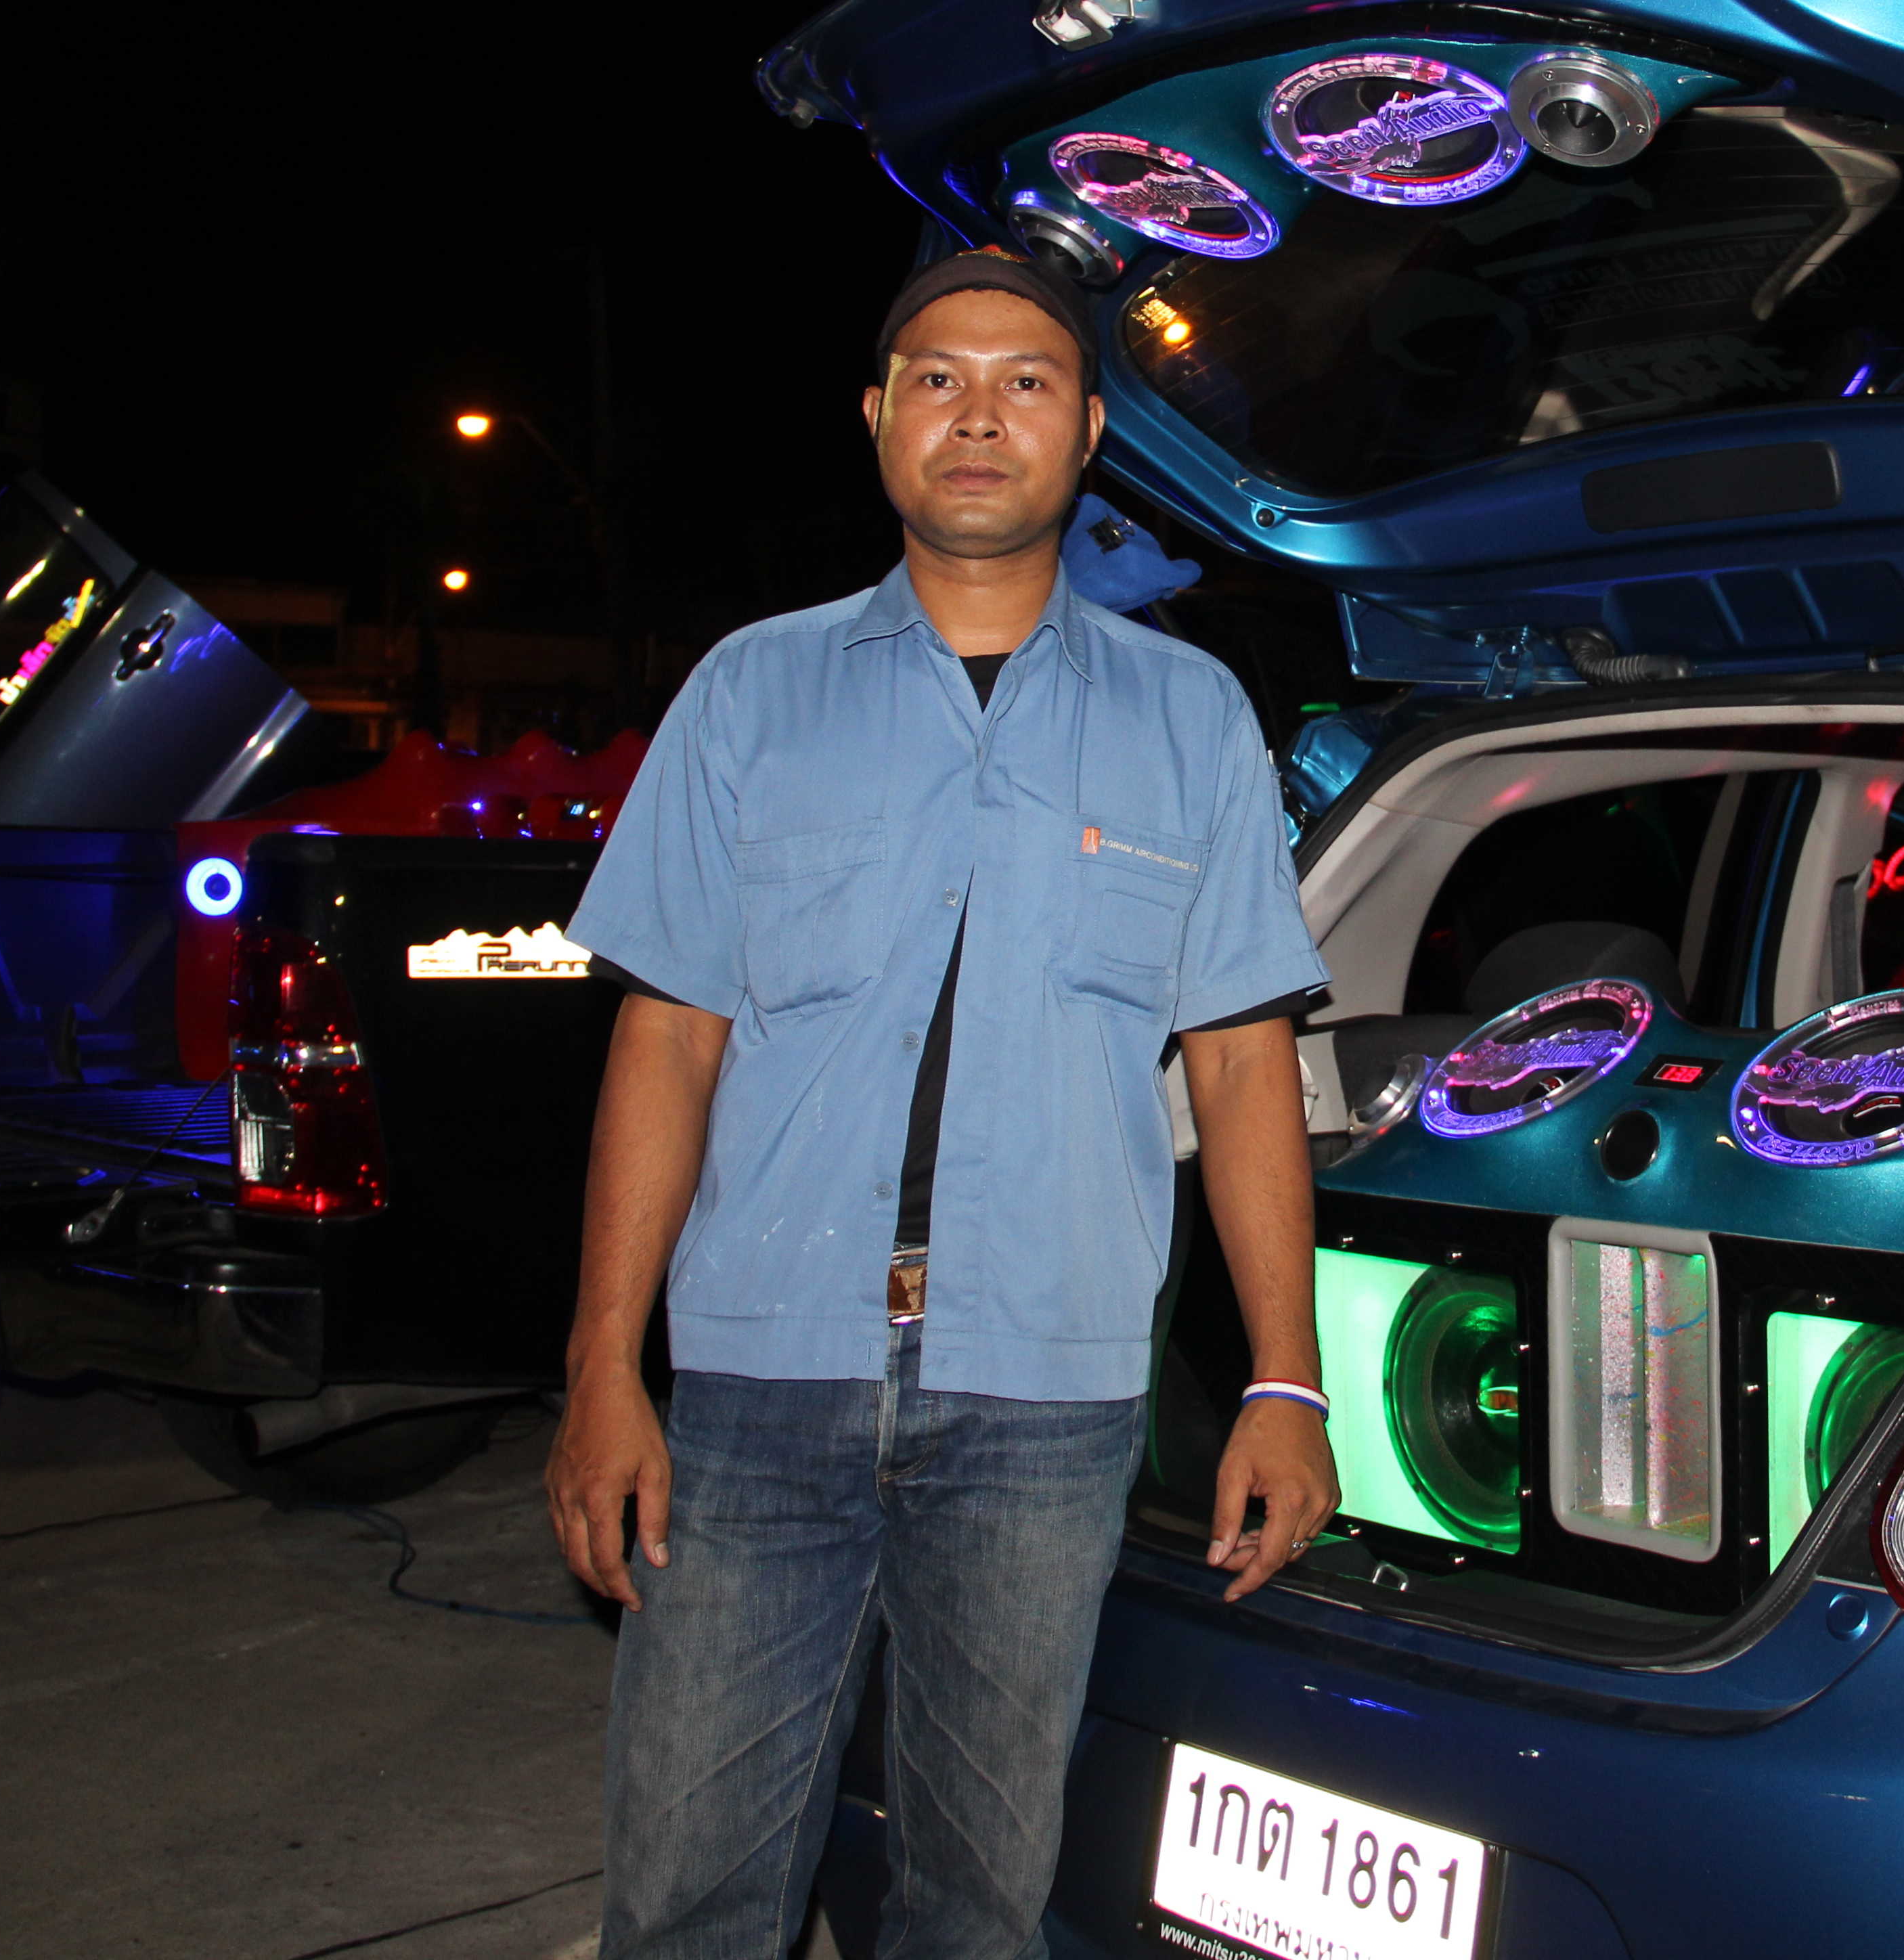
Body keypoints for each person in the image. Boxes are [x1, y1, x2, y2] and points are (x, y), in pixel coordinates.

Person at [547, 249, 1338, 1959]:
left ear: (1091, 432)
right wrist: (605, 1369)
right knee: (686, 1899)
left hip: (1047, 1399)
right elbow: (666, 1040)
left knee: (980, 1908)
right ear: (878, 418)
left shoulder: (1192, 717)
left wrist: (1286, 1381)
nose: (980, 417)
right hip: (757, 1383)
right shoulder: (750, 692)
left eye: (1026, 382)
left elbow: (1242, 1064)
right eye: (938, 379)